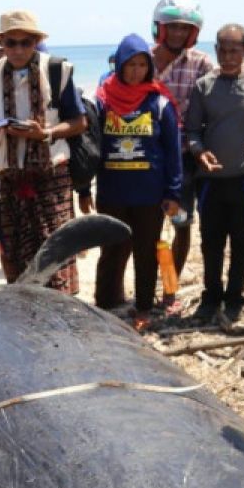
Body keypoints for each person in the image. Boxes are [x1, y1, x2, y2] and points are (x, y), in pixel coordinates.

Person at [0, 10, 88, 293]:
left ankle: (60, 310)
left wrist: (45, 133)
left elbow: (79, 122)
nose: (19, 49)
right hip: (11, 175)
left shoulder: (57, 70)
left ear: (36, 41)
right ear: (1, 42)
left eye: (26, 42)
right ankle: (25, 312)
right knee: (15, 252)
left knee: (55, 247)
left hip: (52, 172)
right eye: (11, 43)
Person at [184, 24, 244, 328]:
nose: (228, 57)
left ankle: (234, 298)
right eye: (222, 50)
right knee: (211, 244)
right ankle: (211, 297)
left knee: (243, 243)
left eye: (234, 51)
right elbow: (191, 131)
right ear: (215, 50)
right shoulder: (204, 86)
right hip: (211, 182)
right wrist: (200, 152)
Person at [89, 34, 180, 331]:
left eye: (142, 64)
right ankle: (103, 305)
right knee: (111, 251)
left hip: (149, 194)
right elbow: (91, 147)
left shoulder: (160, 102)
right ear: (119, 65)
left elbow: (172, 151)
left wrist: (173, 191)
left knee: (145, 251)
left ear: (149, 67)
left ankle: (143, 307)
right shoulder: (102, 101)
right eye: (130, 64)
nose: (135, 71)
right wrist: (82, 187)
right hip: (111, 192)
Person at [150, 0, 215, 314]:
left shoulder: (202, 64)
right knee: (144, 225)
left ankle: (169, 290)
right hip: (145, 158)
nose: (177, 34)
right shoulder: (142, 61)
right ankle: (143, 287)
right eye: (172, 27)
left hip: (185, 159)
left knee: (181, 223)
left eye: (184, 29)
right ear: (159, 27)